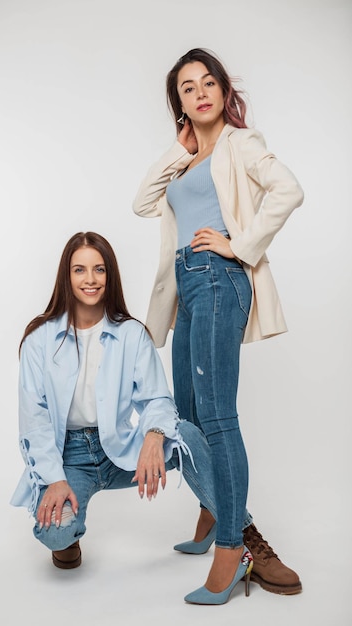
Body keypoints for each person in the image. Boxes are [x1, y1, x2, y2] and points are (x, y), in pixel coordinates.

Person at [132, 48, 304, 601]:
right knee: (186, 418)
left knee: (218, 416)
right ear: (178, 102)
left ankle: (234, 547)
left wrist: (240, 246)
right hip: (188, 288)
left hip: (216, 278)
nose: (201, 92)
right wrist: (178, 149)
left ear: (224, 92)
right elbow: (142, 203)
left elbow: (289, 190)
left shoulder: (240, 144)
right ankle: (212, 510)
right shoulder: (185, 160)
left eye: (209, 82)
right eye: (188, 87)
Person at [10, 231, 254, 605]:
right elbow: (35, 421)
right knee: (55, 531)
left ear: (110, 276)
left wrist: (154, 436)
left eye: (99, 269)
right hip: (69, 457)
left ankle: (243, 538)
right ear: (66, 276)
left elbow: (157, 397)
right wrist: (55, 479)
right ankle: (68, 542)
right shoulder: (39, 339)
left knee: (186, 435)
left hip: (121, 450)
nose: (90, 279)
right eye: (80, 270)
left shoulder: (130, 334)